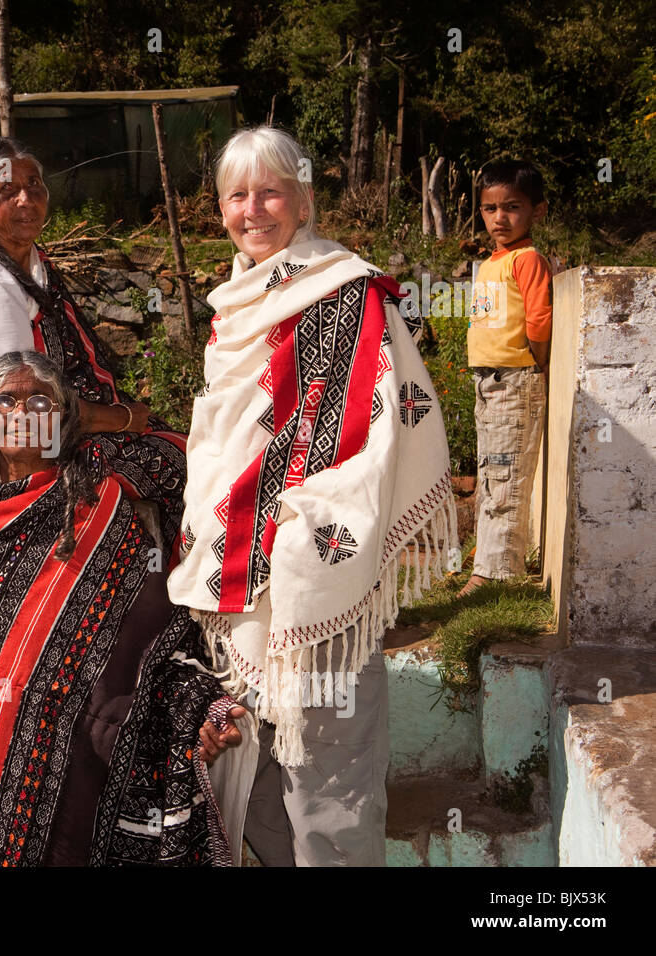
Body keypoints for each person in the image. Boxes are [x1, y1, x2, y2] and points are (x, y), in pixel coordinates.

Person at [166, 127, 457, 866]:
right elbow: (232, 434)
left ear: (303, 199)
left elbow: (380, 427)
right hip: (231, 569)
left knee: (330, 772)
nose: (254, 209)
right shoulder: (238, 302)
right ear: (219, 208)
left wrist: (297, 533)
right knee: (254, 771)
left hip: (312, 569)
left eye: (271, 191)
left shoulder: (343, 293)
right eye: (238, 195)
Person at [0, 351, 245, 867]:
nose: (22, 412)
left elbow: (145, 636)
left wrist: (195, 712)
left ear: (63, 420)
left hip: (48, 754)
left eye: (41, 401)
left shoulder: (100, 512)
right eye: (5, 401)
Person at [0, 135, 188, 539]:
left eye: (34, 184)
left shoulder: (29, 265)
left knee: (191, 449)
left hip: (54, 428)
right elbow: (25, 407)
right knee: (182, 463)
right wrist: (122, 419)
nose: (25, 199)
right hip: (5, 454)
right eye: (7, 190)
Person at [459, 160, 552, 597]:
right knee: (491, 476)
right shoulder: (496, 261)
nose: (499, 218)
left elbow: (538, 323)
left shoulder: (528, 260)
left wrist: (538, 364)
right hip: (489, 384)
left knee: (505, 475)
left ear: (538, 210)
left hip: (514, 382)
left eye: (512, 207)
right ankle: (489, 565)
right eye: (489, 208)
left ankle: (497, 576)